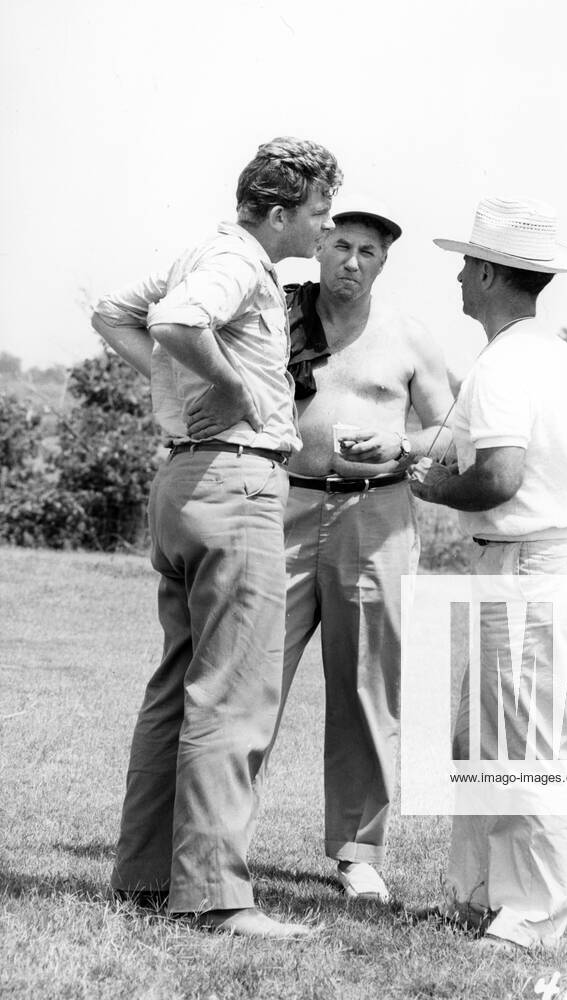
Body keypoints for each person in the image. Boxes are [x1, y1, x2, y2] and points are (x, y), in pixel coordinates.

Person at [91, 137, 342, 938]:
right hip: (235, 484)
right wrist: (227, 387)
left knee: (178, 686)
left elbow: (112, 312)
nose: (325, 226)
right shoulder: (239, 263)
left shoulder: (204, 250)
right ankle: (216, 898)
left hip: (184, 481)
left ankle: (145, 878)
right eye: (317, 212)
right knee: (233, 693)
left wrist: (182, 389)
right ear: (276, 213)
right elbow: (172, 320)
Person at [409, 197, 567, 953]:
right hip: (526, 569)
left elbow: (496, 478)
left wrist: (427, 489)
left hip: (529, 570)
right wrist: (400, 450)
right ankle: (479, 898)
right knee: (484, 740)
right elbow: (458, 441)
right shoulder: (542, 355)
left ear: (487, 272)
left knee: (525, 746)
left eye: (465, 263)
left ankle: (531, 917)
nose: (457, 275)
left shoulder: (506, 362)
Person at [271, 200, 454, 903]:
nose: (351, 262)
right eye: (340, 245)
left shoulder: (408, 336)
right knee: (250, 675)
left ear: (383, 263)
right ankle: (215, 840)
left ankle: (357, 853)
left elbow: (449, 431)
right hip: (280, 503)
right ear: (317, 247)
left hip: (374, 516)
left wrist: (400, 446)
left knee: (366, 687)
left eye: (367, 253)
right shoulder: (276, 318)